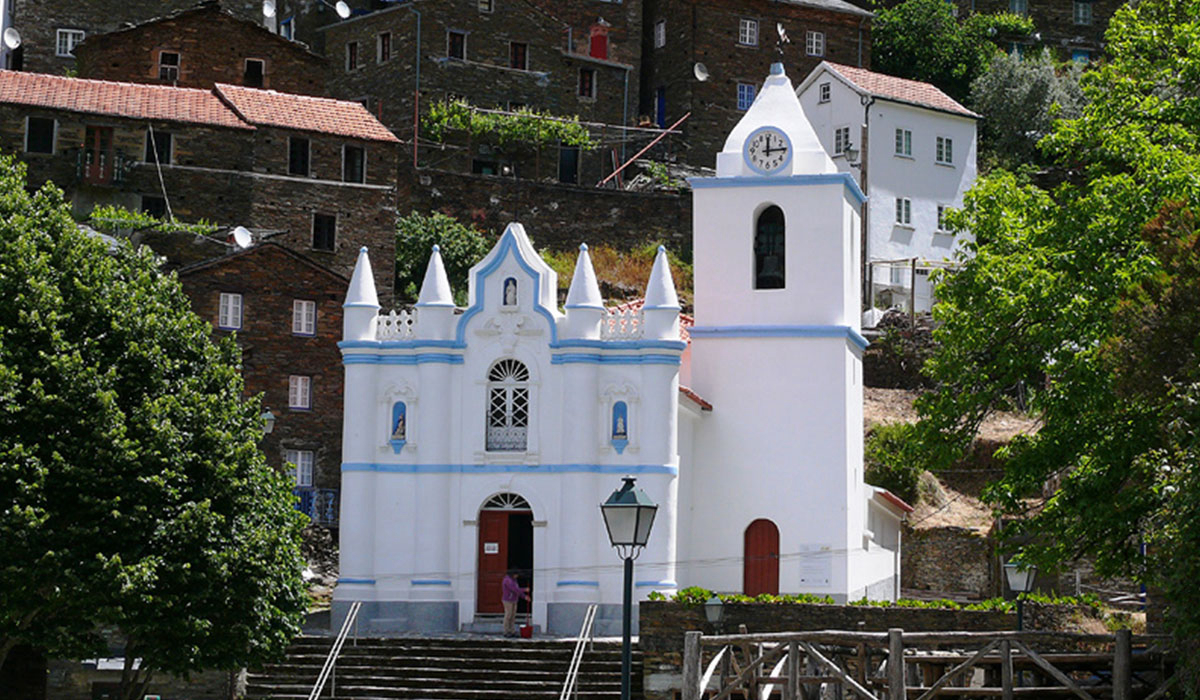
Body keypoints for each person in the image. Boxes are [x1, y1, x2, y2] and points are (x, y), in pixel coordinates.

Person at [501, 569, 530, 637]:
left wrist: (524, 596)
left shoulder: (514, 580)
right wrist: (524, 591)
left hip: (514, 600)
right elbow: (514, 589)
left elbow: (517, 589)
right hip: (508, 600)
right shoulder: (507, 580)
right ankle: (506, 631)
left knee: (513, 616)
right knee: (508, 615)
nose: (517, 576)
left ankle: (512, 630)